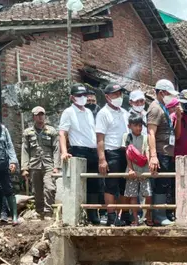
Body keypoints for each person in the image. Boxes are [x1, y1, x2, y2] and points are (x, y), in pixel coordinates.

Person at [59, 84, 101, 224]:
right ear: (72, 97)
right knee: (79, 183)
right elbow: (62, 133)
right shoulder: (68, 112)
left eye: (84, 95)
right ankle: (77, 214)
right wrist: (64, 152)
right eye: (79, 96)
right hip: (79, 150)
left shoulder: (89, 112)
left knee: (94, 183)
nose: (82, 98)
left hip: (92, 150)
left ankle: (93, 213)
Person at [95, 84, 130, 226]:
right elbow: (100, 138)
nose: (118, 97)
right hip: (111, 152)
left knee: (124, 185)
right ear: (107, 96)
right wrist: (102, 159)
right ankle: (111, 215)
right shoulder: (103, 113)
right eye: (115, 95)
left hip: (125, 152)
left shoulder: (125, 113)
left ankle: (122, 215)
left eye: (119, 94)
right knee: (111, 185)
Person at [146, 79, 179, 226]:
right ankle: (158, 215)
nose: (171, 97)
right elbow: (151, 133)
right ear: (161, 93)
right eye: (169, 94)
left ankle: (162, 213)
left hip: (167, 152)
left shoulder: (163, 107)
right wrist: (153, 156)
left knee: (165, 183)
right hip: (159, 152)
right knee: (160, 183)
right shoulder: (155, 109)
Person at [21, 106, 59, 221]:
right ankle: (39, 211)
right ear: (33, 117)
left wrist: (56, 166)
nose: (40, 117)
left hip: (48, 164)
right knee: (37, 189)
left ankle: (48, 211)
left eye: (42, 114)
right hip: (34, 164)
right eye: (38, 115)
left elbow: (56, 149)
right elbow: (25, 150)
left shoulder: (51, 131)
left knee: (49, 187)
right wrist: (24, 167)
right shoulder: (28, 132)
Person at [124, 112, 153, 226]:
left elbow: (147, 151)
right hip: (132, 170)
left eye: (140, 125)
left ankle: (147, 215)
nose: (138, 128)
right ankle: (135, 218)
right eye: (136, 125)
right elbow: (127, 155)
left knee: (148, 194)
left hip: (144, 169)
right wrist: (131, 169)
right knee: (133, 195)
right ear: (129, 126)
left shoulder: (145, 138)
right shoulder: (126, 137)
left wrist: (150, 166)